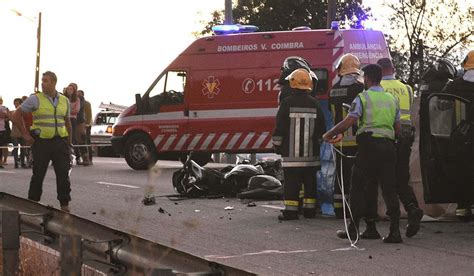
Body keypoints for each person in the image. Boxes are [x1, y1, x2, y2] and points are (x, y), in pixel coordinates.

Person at [323, 64, 403, 243]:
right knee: (389, 190)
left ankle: (353, 229)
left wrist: (329, 134)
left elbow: (349, 121)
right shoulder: (392, 99)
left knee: (358, 187)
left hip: (368, 148)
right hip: (388, 148)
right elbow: (398, 129)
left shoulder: (363, 98)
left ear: (367, 79)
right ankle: (394, 232)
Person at [12, 71, 73, 212]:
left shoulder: (64, 100)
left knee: (63, 175)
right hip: (42, 143)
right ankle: (32, 205)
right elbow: (16, 115)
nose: (42, 83)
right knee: (38, 174)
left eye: (46, 80)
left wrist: (69, 143)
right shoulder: (35, 99)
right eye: (42, 80)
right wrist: (25, 135)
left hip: (60, 142)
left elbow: (68, 122)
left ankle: (65, 206)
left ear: (54, 82)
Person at [272, 68, 326, 220]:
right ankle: (310, 211)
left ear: (292, 83)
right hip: (311, 157)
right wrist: (317, 144)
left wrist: (277, 145)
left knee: (292, 184)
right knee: (310, 183)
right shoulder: (315, 104)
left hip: (291, 156)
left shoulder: (286, 103)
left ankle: (291, 212)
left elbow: (279, 126)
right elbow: (321, 129)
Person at [328, 53, 365, 219]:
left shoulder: (334, 89)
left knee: (341, 176)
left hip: (339, 140)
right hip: (357, 140)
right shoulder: (360, 88)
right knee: (357, 177)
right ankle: (357, 210)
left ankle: (339, 209)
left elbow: (332, 112)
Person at [443, 50, 474, 222]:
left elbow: (442, 110)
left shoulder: (453, 86)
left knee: (461, 170)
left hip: (459, 137)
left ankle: (463, 208)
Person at [10, 98, 27, 168]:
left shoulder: (25, 112)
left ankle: (23, 162)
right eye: (15, 103)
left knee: (23, 148)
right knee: (16, 148)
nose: (16, 105)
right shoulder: (12, 112)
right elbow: (12, 120)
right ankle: (16, 163)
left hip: (23, 132)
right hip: (15, 133)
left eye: (17, 103)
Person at [78, 90, 93, 164]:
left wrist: (87, 124)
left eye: (80, 94)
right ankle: (84, 158)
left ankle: (90, 158)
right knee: (82, 141)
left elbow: (88, 114)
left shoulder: (86, 103)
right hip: (81, 124)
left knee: (87, 141)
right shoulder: (78, 103)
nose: (78, 95)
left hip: (86, 125)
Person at [0, 96, 9, 168]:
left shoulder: (4, 108)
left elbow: (5, 115)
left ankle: (2, 161)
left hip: (2, 129)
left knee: (3, 146)